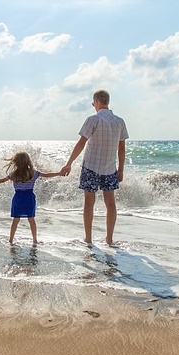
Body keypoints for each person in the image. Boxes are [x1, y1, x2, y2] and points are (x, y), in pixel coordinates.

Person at [60, 89, 129, 246]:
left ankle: (89, 238)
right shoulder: (119, 121)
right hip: (110, 168)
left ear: (97, 102)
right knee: (110, 203)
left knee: (89, 203)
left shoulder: (93, 120)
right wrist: (121, 169)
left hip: (91, 166)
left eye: (93, 103)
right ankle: (109, 239)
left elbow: (81, 143)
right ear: (107, 102)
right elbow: (122, 149)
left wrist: (69, 163)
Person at [0, 151, 61, 245]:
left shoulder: (14, 174)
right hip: (29, 198)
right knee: (31, 219)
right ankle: (35, 240)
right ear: (28, 161)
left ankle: (11, 240)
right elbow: (47, 175)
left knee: (16, 220)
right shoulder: (33, 173)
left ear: (16, 162)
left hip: (18, 198)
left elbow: (2, 180)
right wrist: (59, 173)